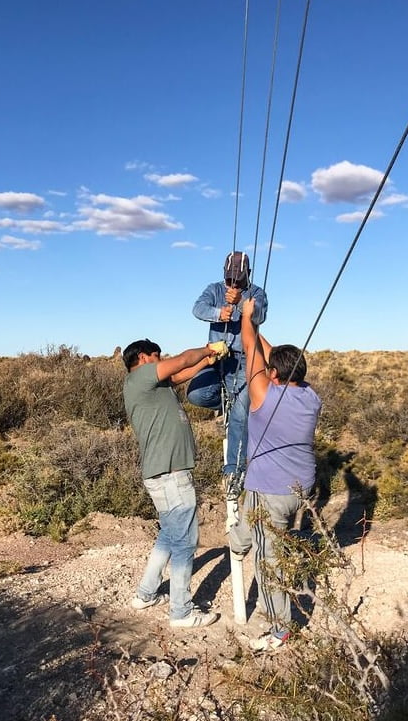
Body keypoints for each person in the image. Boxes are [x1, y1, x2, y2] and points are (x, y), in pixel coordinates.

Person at [229, 298, 321, 651]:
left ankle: (280, 630)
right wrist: (256, 326)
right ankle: (239, 539)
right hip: (300, 489)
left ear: (273, 375)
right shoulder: (311, 397)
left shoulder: (263, 396)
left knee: (268, 562)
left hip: (269, 491)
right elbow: (264, 354)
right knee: (255, 533)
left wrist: (246, 320)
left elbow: (251, 349)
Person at [122, 338, 221, 629]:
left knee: (169, 535)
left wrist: (206, 362)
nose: (161, 358)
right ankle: (181, 611)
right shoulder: (140, 375)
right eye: (157, 355)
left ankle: (145, 594)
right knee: (184, 543)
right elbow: (180, 362)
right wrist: (208, 350)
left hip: (163, 473)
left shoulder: (154, 386)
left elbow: (179, 375)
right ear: (143, 357)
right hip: (171, 474)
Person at [187, 251, 268, 490]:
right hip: (217, 357)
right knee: (196, 394)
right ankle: (230, 406)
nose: (233, 282)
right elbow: (197, 309)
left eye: (238, 278)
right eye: (229, 277)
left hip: (245, 361)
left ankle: (233, 473)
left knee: (240, 415)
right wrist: (218, 313)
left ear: (248, 275)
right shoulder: (213, 289)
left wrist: (241, 303)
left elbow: (260, 315)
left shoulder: (257, 293)